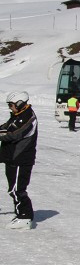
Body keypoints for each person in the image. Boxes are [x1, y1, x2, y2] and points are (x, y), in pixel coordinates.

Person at [1, 92, 38, 230]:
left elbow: (13, 134)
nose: (10, 108)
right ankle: (22, 214)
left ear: (20, 103)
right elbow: (6, 127)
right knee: (13, 188)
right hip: (12, 157)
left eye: (11, 105)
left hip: (21, 159)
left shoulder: (28, 118)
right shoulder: (18, 116)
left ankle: (25, 217)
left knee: (17, 189)